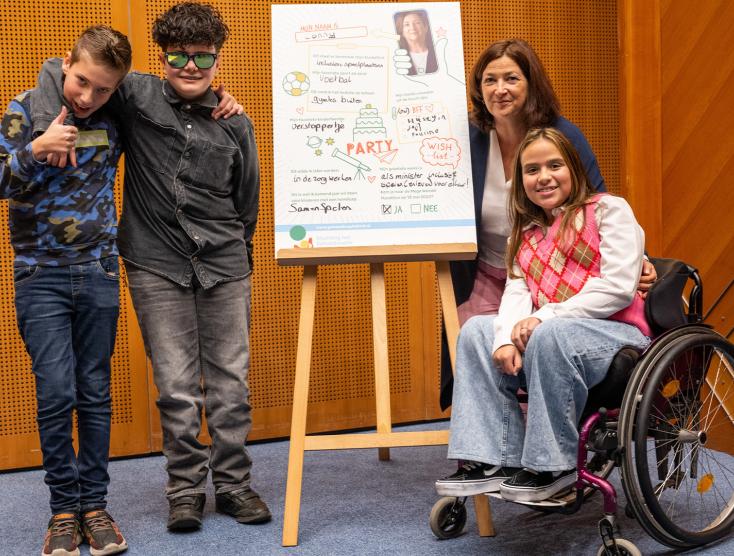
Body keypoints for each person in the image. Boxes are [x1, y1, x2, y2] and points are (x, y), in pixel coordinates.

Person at [34, 1, 269, 532]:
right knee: (177, 387)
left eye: (202, 57)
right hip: (154, 262)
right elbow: (60, 68)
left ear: (218, 58)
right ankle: (185, 490)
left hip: (224, 263)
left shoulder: (237, 124)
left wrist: (232, 249)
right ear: (162, 57)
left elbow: (247, 199)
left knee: (231, 385)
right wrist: (56, 119)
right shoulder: (135, 95)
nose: (190, 66)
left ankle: (233, 485)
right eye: (178, 56)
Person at [435, 127, 652, 502]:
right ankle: (492, 459)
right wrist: (504, 339)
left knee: (550, 333)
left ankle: (553, 464)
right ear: (521, 181)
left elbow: (618, 287)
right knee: (475, 331)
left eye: (555, 165)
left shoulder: (608, 210)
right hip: (558, 332)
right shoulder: (525, 231)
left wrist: (546, 317)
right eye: (532, 170)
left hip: (616, 332)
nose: (544, 176)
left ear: (574, 168)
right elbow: (517, 290)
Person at [439, 38, 655, 409]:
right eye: (490, 80)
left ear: (531, 82)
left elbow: (594, 199)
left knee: (535, 348)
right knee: (482, 350)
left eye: (511, 78)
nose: (500, 89)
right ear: (479, 87)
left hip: (552, 272)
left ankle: (537, 453)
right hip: (486, 269)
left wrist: (638, 258)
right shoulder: (467, 139)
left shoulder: (562, 135)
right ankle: (488, 457)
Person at [0, 25, 131, 556]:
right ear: (65, 64)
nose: (87, 97)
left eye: (102, 89)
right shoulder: (25, 108)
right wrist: (35, 148)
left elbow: (174, 93)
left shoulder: (116, 113)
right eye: (81, 82)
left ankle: (94, 506)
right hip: (40, 275)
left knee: (95, 392)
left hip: (98, 269)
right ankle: (63, 509)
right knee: (57, 392)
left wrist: (222, 97)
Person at [395, 10, 438, 75]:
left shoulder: (438, 53)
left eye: (417, 23)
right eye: (407, 25)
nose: (412, 27)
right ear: (402, 32)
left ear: (425, 27)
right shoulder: (398, 57)